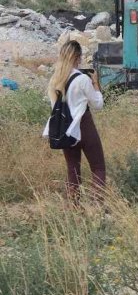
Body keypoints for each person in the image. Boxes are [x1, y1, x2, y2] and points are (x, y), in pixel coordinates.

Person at [42, 40, 106, 200]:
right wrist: (96, 84)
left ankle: (74, 208)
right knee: (98, 167)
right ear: (77, 57)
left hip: (64, 130)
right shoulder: (82, 79)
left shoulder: (55, 80)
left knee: (73, 169)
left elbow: (55, 107)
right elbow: (98, 105)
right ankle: (98, 208)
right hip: (84, 125)